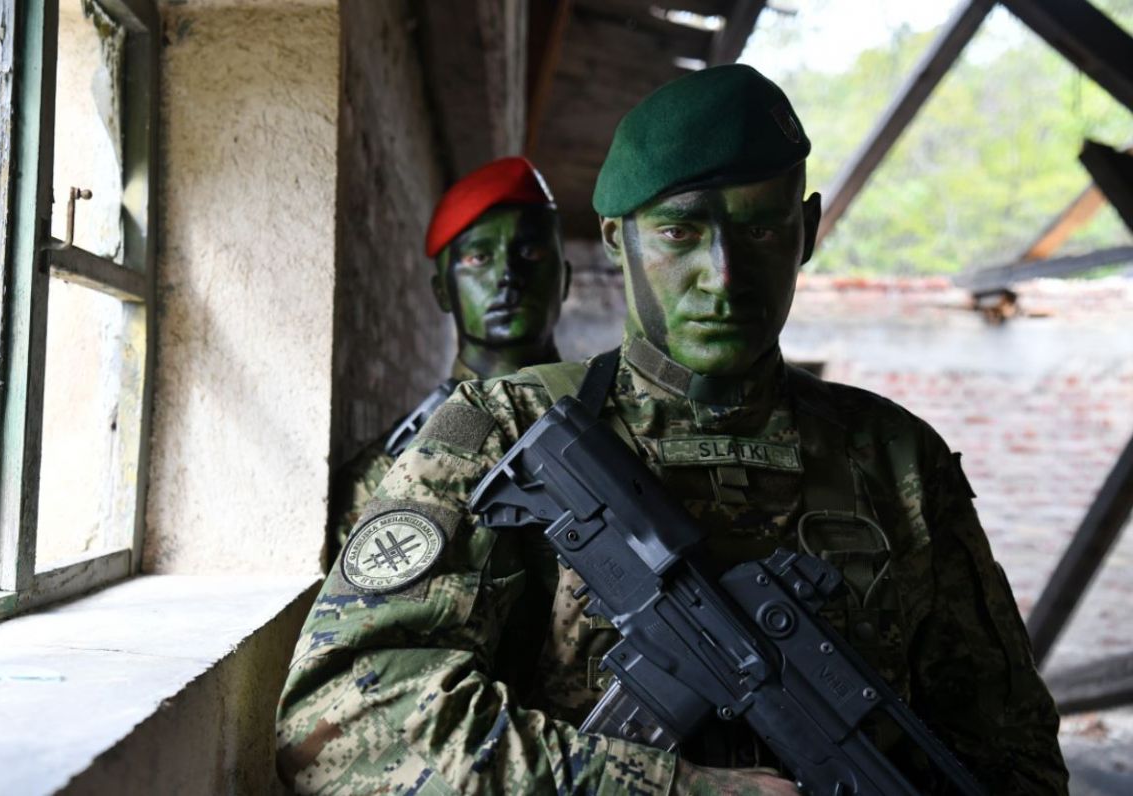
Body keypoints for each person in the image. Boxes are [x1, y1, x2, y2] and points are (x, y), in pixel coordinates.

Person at [280, 66, 1068, 795]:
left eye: (761, 231)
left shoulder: (898, 460)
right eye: (681, 233)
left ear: (808, 229)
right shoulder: (500, 429)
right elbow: (343, 723)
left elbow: (1014, 753)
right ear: (615, 238)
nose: (723, 278)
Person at [323, 156, 570, 568]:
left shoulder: (629, 424)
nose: (508, 275)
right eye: (478, 258)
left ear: (566, 279)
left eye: (531, 251)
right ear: (442, 292)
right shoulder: (388, 472)